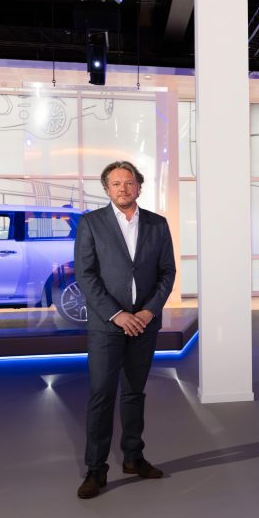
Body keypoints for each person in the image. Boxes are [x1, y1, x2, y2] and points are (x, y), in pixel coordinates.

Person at [74, 160, 176, 499]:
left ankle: (133, 457)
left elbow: (167, 272)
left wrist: (147, 312)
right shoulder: (91, 223)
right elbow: (86, 275)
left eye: (129, 182)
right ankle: (95, 469)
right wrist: (117, 315)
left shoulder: (157, 224)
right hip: (107, 325)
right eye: (116, 183)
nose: (123, 188)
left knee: (134, 393)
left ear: (139, 186)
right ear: (107, 189)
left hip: (144, 324)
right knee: (101, 395)